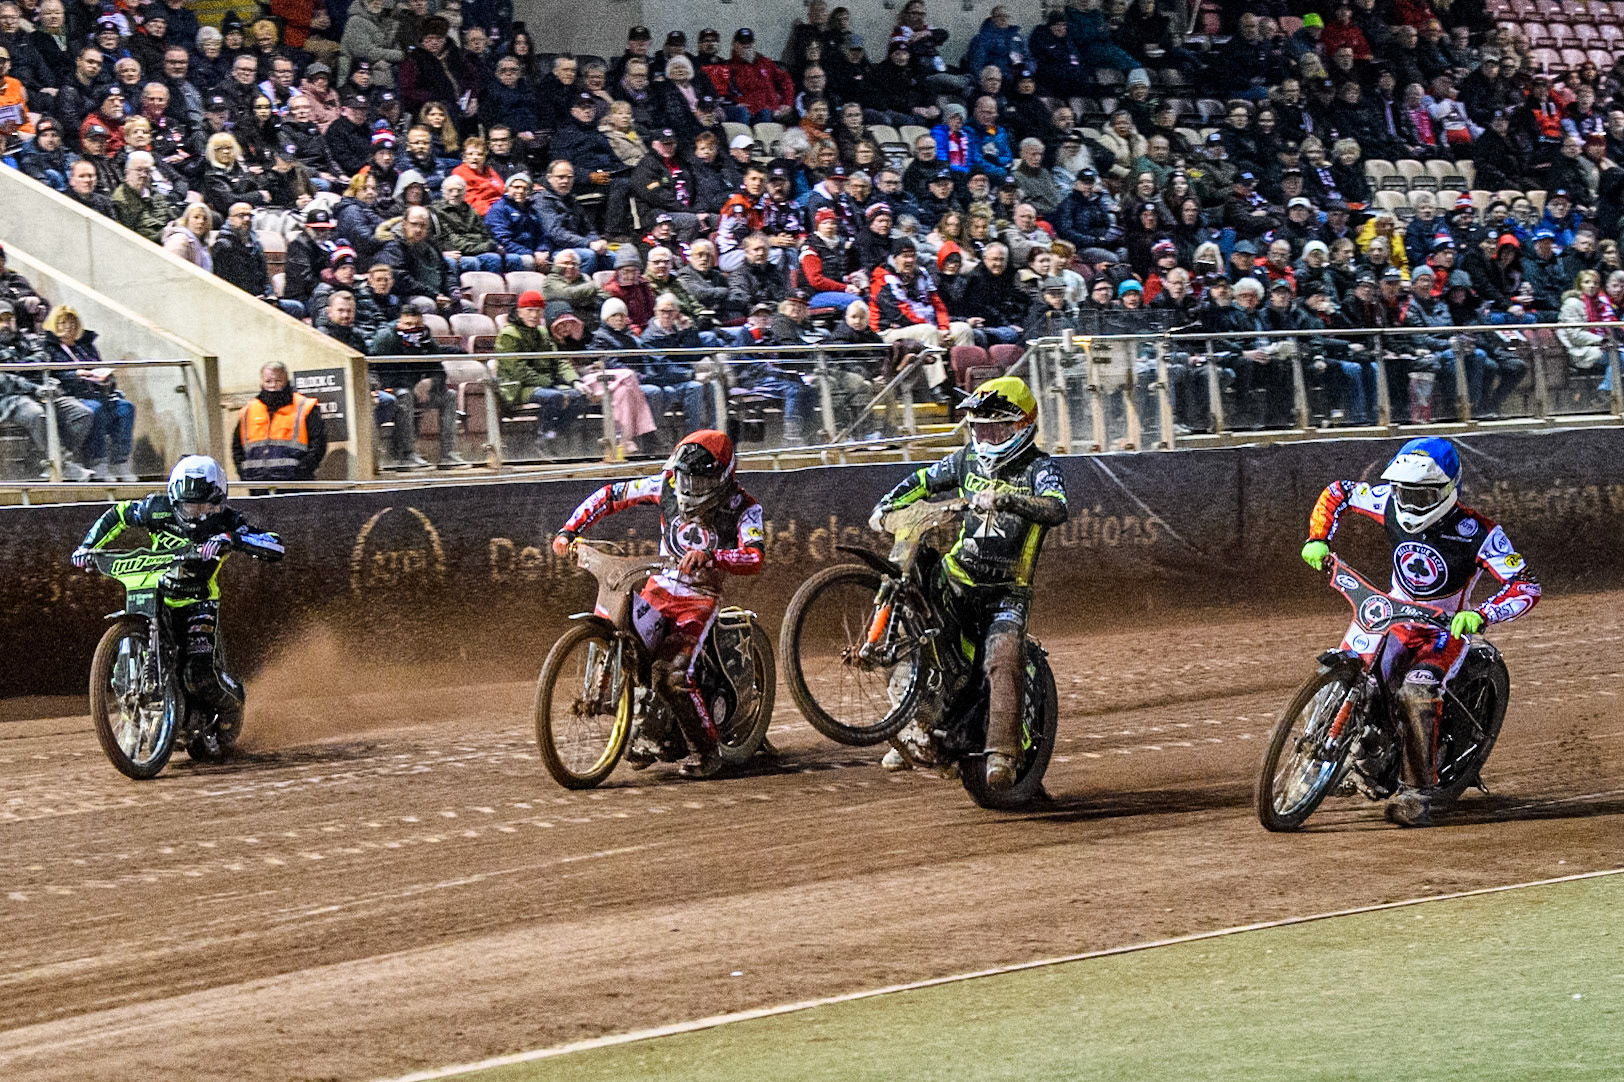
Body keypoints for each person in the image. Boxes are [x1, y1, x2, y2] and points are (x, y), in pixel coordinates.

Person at [1300, 437, 1541, 826]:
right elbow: (1338, 493)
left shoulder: (1478, 531)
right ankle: (1351, 753)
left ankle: (1418, 793)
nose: (1409, 502)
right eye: (1403, 491)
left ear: (1448, 491)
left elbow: (1525, 585)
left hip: (1443, 633)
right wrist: (1318, 538)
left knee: (1417, 691)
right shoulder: (1388, 501)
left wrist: (1481, 615)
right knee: (1369, 681)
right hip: (1395, 617)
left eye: (1422, 494)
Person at [866, 376, 1068, 789]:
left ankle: (1003, 754)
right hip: (955, 577)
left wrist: (1009, 498)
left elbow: (1056, 508)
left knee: (1003, 656)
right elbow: (924, 479)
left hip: (1006, 592)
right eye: (979, 428)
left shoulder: (1041, 468)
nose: (985, 436)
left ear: (1020, 427)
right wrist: (887, 505)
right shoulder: (966, 460)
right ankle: (911, 721)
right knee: (912, 624)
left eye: (994, 428)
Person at [552, 430, 765, 777]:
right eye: (686, 478)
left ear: (723, 477)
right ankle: (648, 726)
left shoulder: (745, 507)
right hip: (660, 585)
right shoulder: (664, 484)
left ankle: (707, 753)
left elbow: (753, 557)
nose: (690, 487)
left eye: (700, 480)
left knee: (671, 674)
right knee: (630, 640)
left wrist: (711, 557)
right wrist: (569, 531)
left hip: (699, 598)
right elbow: (610, 495)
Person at [70, 456, 285, 740]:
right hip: (155, 593)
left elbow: (274, 544)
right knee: (123, 671)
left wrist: (231, 539)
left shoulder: (228, 521)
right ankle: (133, 718)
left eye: (204, 506)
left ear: (219, 501)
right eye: (188, 506)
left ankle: (233, 703)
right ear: (174, 501)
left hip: (199, 602)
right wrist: (88, 546)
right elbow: (118, 514)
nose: (195, 513)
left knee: (199, 676)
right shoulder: (156, 509)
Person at [368, 308, 465, 468]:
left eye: (416, 324)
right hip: (392, 389)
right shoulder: (386, 338)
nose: (412, 328)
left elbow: (439, 371)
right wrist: (413, 387)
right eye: (408, 324)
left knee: (450, 396)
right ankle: (407, 454)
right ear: (399, 323)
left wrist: (430, 382)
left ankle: (448, 454)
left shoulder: (425, 338)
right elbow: (380, 372)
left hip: (419, 391)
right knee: (405, 395)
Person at [231, 361, 327, 481]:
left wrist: (302, 471)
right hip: (257, 484)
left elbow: (318, 444)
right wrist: (244, 473)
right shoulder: (248, 411)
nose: (273, 386)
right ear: (262, 382)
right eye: (268, 381)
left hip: (295, 485)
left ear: (286, 380)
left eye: (278, 381)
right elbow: (237, 447)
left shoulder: (304, 407)